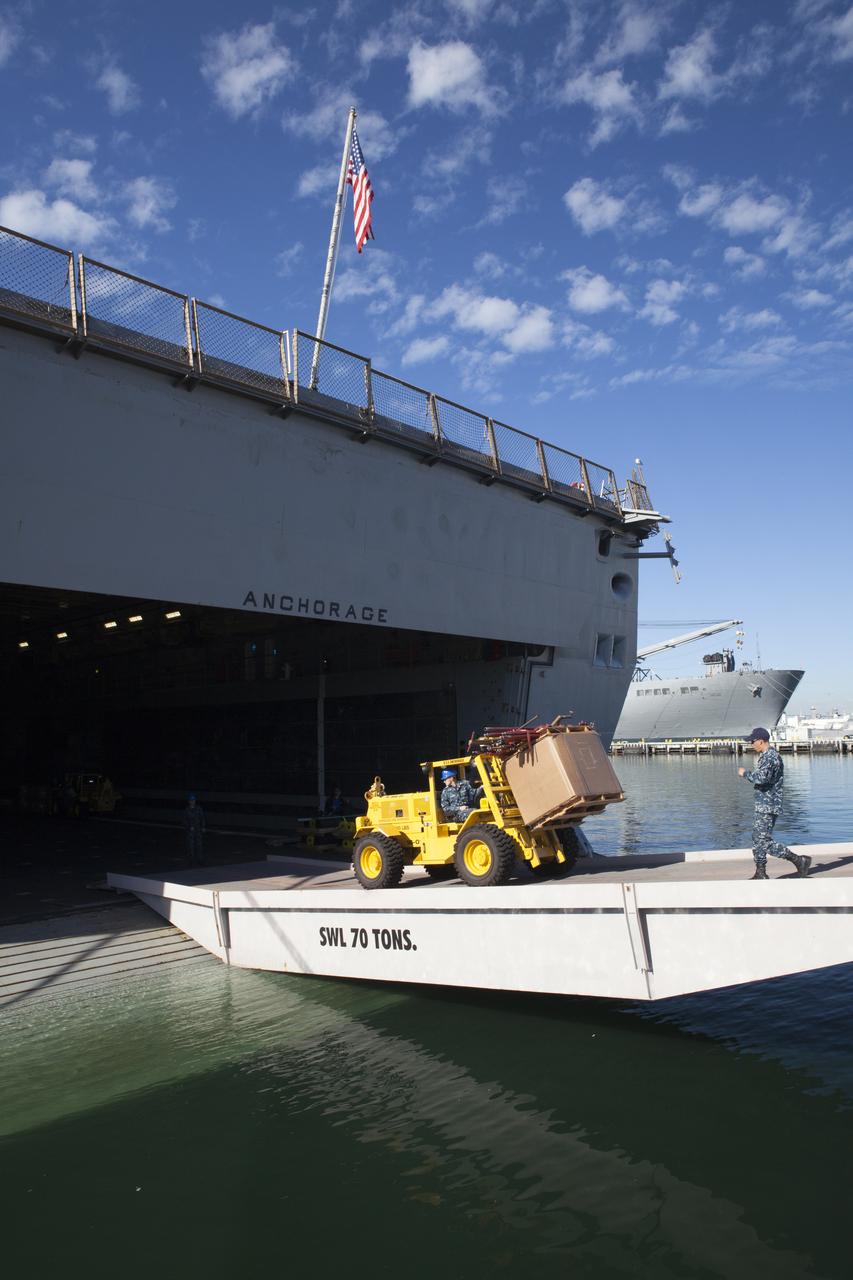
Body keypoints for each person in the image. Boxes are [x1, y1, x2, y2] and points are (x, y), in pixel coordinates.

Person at [738, 728, 810, 880]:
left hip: (769, 804)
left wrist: (745, 773)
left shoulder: (771, 757)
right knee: (757, 839)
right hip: (763, 803)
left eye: (753, 741)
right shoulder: (766, 756)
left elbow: (762, 778)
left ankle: (798, 860)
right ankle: (760, 871)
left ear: (761, 741)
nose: (751, 744)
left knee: (763, 841)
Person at [183, 793, 205, 866]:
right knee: (190, 847)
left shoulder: (198, 809)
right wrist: (189, 827)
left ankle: (200, 861)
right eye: (191, 800)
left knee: (199, 846)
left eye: (193, 800)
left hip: (198, 830)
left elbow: (202, 818)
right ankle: (191, 861)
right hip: (190, 831)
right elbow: (184, 820)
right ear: (189, 801)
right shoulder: (187, 810)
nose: (192, 801)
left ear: (195, 801)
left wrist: (203, 827)